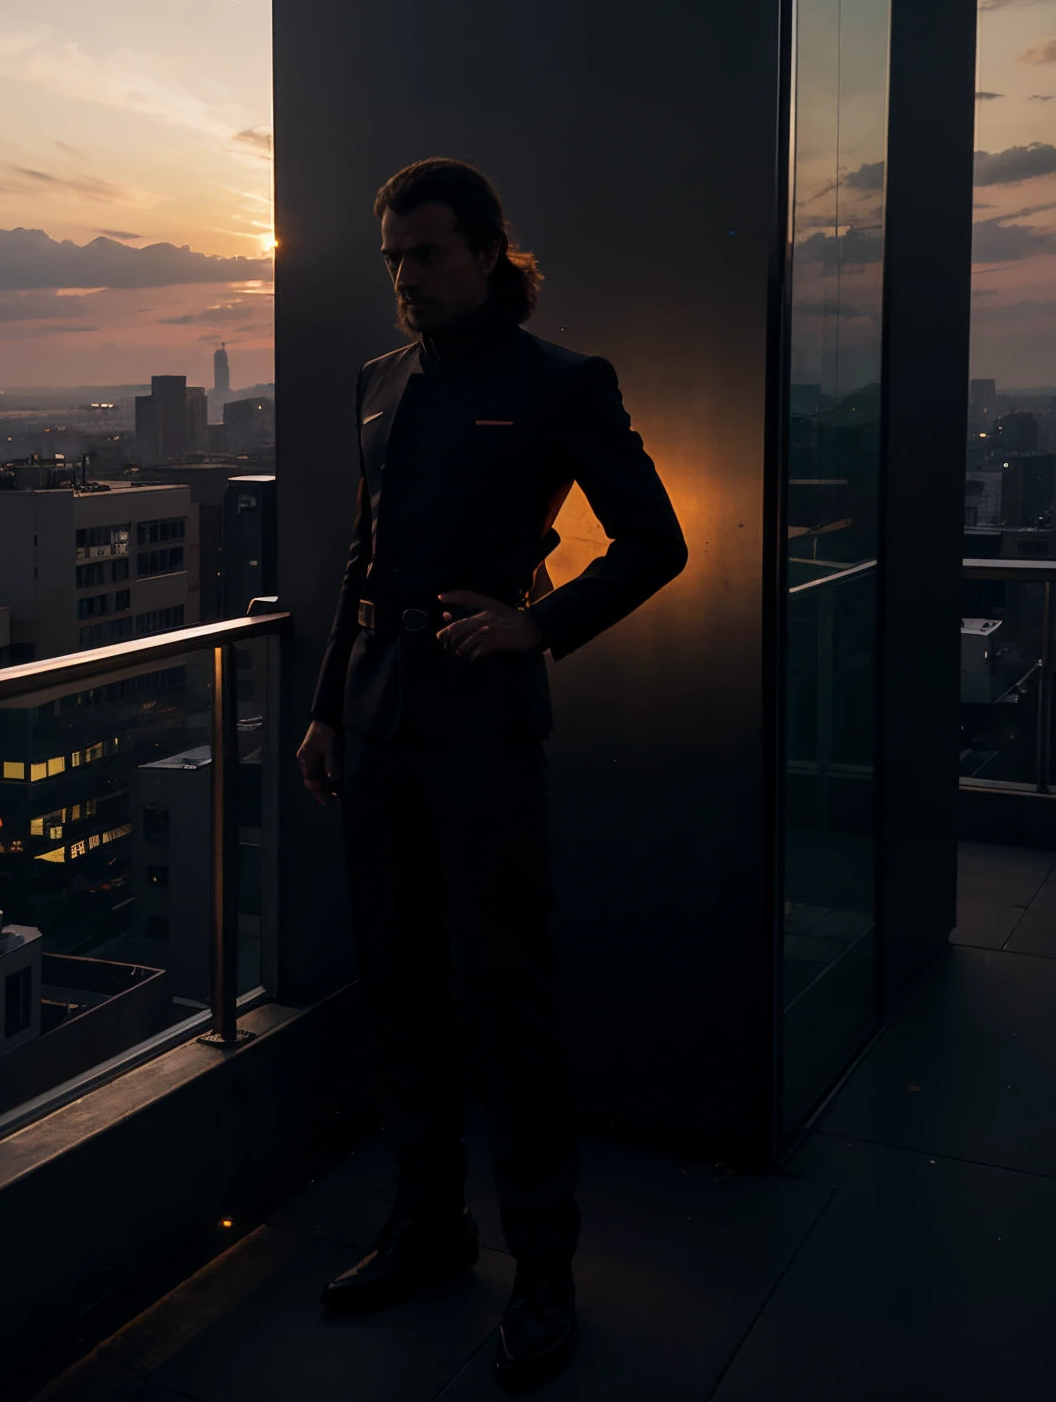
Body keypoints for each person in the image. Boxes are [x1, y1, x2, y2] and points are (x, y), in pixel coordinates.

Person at [297, 158, 688, 1392]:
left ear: (487, 254)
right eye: (393, 259)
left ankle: (546, 1276)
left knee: (510, 998)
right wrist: (324, 712)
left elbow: (657, 541)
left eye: (426, 254)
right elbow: (363, 561)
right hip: (372, 721)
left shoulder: (562, 382)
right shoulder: (377, 382)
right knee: (399, 984)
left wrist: (539, 623)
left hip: (482, 727)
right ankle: (428, 1230)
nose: (405, 279)